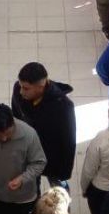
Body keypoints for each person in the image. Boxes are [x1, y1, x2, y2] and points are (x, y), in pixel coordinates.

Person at [10, 62, 76, 192]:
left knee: (58, 188)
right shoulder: (18, 89)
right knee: (32, 185)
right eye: (21, 86)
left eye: (26, 88)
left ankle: (60, 211)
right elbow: (16, 116)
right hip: (28, 152)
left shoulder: (63, 107)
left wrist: (63, 172)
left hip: (51, 157)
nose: (21, 91)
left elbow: (68, 142)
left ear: (41, 86)